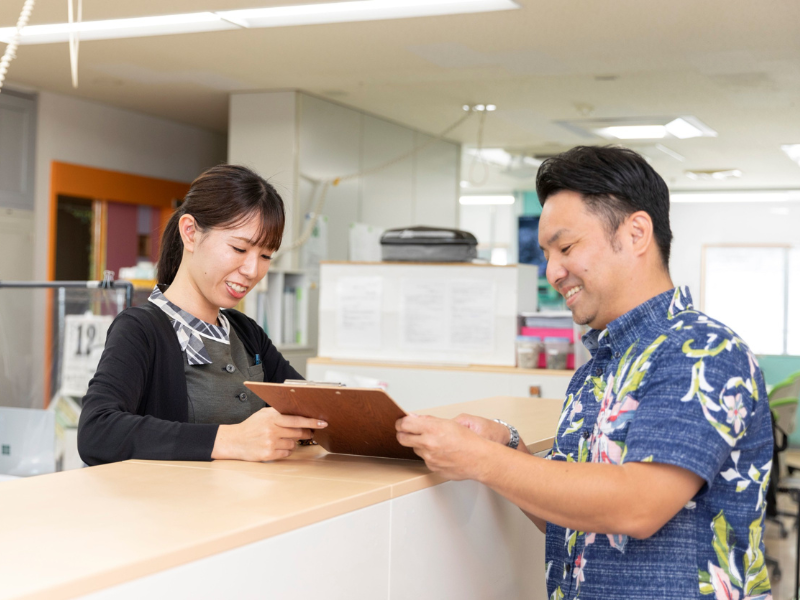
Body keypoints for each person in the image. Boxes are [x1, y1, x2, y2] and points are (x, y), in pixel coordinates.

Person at [396, 146, 774, 600]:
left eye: (567, 247)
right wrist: (504, 446)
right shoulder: (599, 367)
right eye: (547, 253)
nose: (553, 271)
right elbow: (567, 518)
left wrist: (481, 460)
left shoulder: (702, 352)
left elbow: (637, 505)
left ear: (636, 234)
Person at [78, 165, 327, 465]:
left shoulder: (246, 333)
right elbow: (97, 430)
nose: (252, 271)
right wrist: (230, 440)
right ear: (191, 233)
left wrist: (386, 424)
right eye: (238, 248)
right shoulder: (141, 329)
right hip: (177, 508)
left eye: (265, 256)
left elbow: (312, 408)